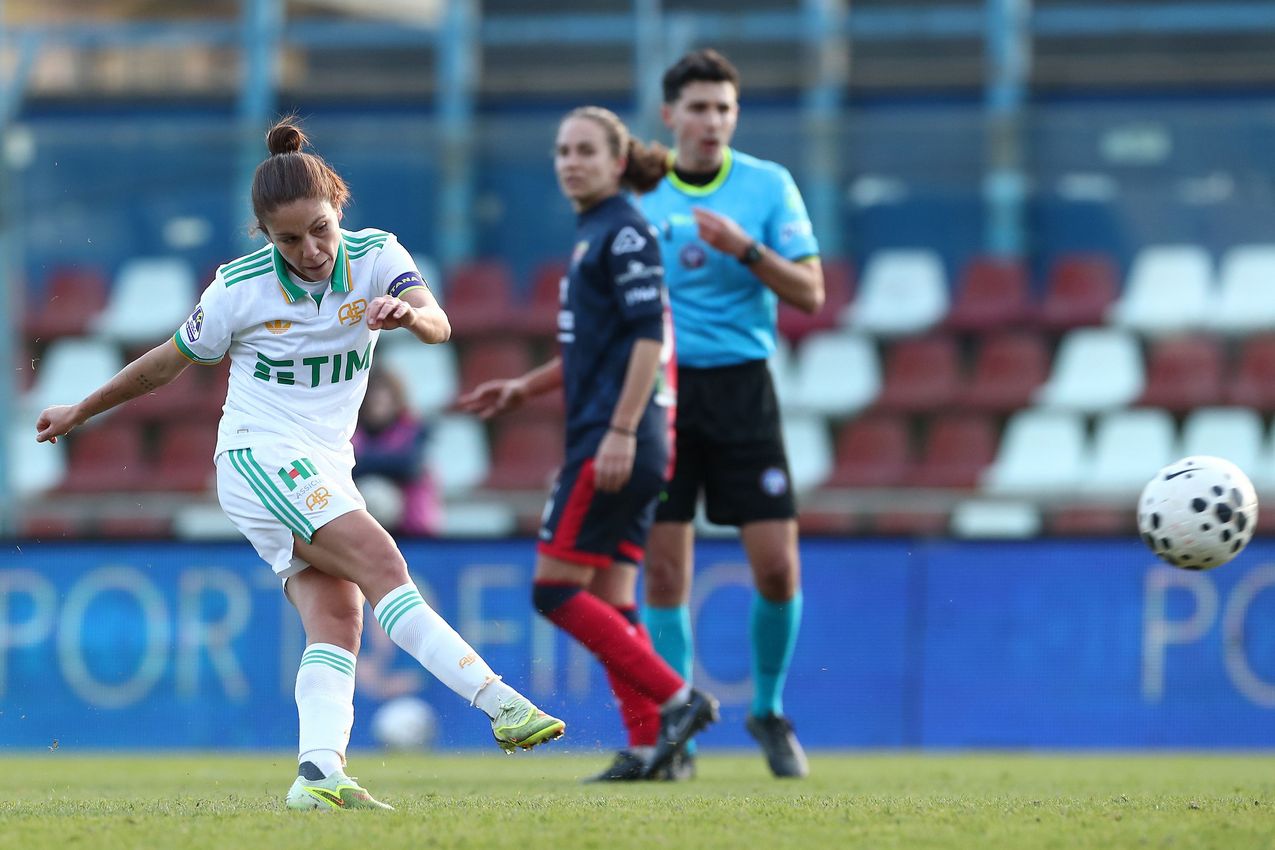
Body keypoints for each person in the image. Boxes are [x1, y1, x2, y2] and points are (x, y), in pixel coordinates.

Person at [34, 116, 565, 811]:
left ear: (337, 206)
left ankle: (317, 774)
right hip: (258, 456)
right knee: (383, 565)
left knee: (339, 615)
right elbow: (167, 362)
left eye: (319, 228)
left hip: (324, 463)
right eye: (289, 238)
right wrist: (81, 409)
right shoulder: (240, 287)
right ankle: (499, 703)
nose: (310, 249)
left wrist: (407, 317)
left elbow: (440, 324)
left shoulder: (377, 257)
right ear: (265, 235)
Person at [457, 105, 718, 782]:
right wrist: (524, 388)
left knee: (553, 591)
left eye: (584, 150)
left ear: (616, 161)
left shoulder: (623, 234)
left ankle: (679, 702)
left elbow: (648, 340)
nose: (569, 160)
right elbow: (591, 349)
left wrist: (621, 430)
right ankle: (650, 750)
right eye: (562, 150)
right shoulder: (594, 234)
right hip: (624, 435)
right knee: (611, 598)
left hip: (616, 438)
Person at [637, 49, 825, 779]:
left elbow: (809, 293)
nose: (711, 121)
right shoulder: (641, 192)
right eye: (699, 108)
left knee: (777, 571)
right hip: (665, 393)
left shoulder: (766, 186)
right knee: (663, 576)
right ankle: (675, 722)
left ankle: (767, 710)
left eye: (723, 108)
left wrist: (744, 249)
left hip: (744, 391)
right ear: (670, 116)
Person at [352, 366, 442, 536]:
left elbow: (409, 466)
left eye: (384, 396)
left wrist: (364, 461)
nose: (377, 401)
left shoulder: (414, 429)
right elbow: (342, 468)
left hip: (412, 528)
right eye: (372, 396)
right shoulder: (348, 430)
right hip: (361, 523)